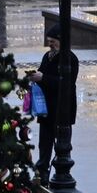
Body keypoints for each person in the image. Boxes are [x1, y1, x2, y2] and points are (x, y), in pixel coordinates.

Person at [29, 24, 79, 184]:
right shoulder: (47, 56)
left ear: (61, 41)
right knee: (44, 144)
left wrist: (43, 78)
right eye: (48, 41)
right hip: (46, 109)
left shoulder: (70, 59)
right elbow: (43, 73)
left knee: (62, 145)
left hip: (61, 110)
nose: (50, 44)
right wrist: (35, 77)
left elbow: (66, 84)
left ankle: (62, 173)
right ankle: (42, 174)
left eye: (53, 41)